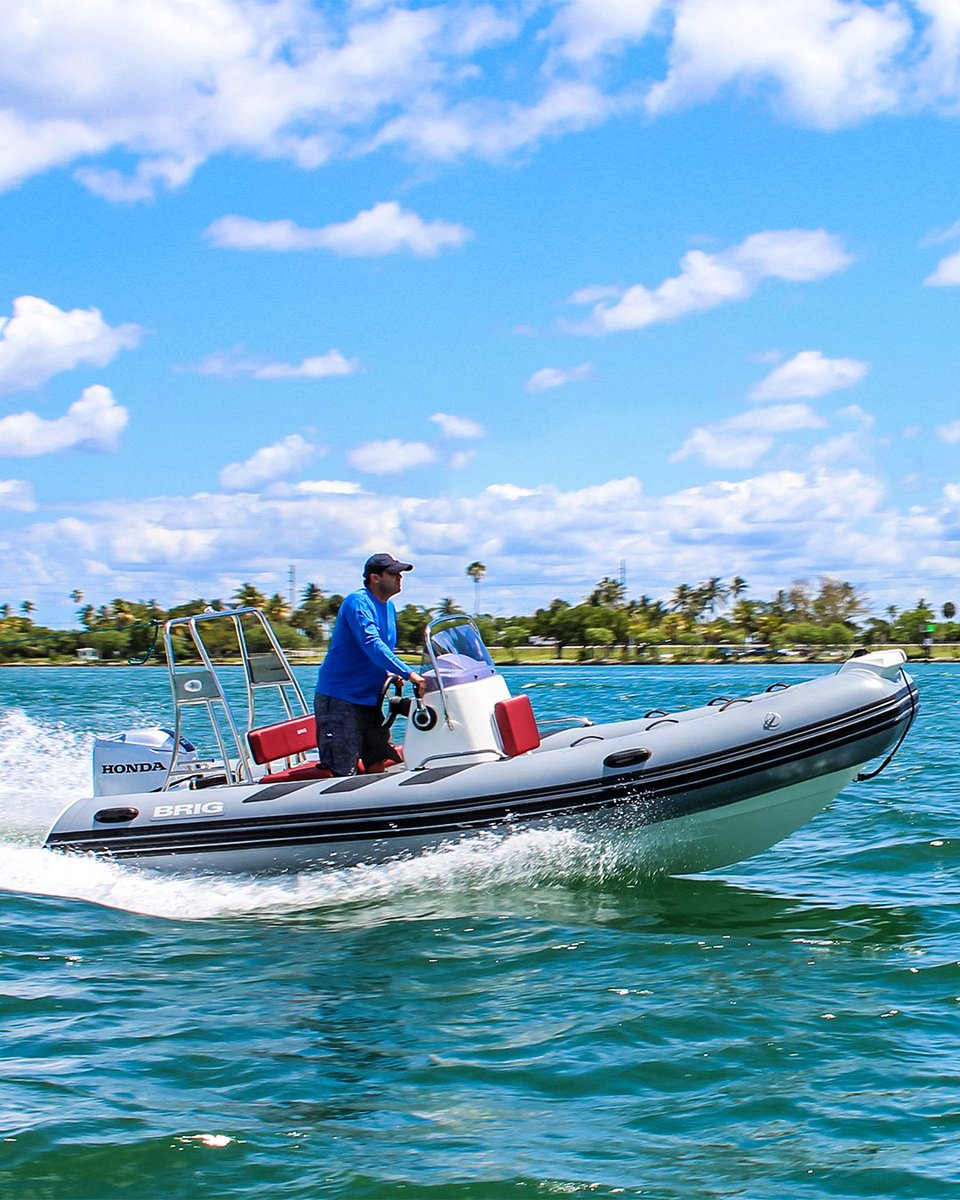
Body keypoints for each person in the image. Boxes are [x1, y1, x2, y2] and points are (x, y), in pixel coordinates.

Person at [314, 552, 426, 776]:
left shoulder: (389, 608)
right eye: (393, 573)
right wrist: (407, 673)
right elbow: (371, 644)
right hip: (340, 700)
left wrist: (388, 673)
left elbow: (382, 651)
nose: (399, 577)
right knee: (344, 770)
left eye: (400, 573)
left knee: (377, 759)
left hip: (369, 701)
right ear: (375, 578)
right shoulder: (357, 603)